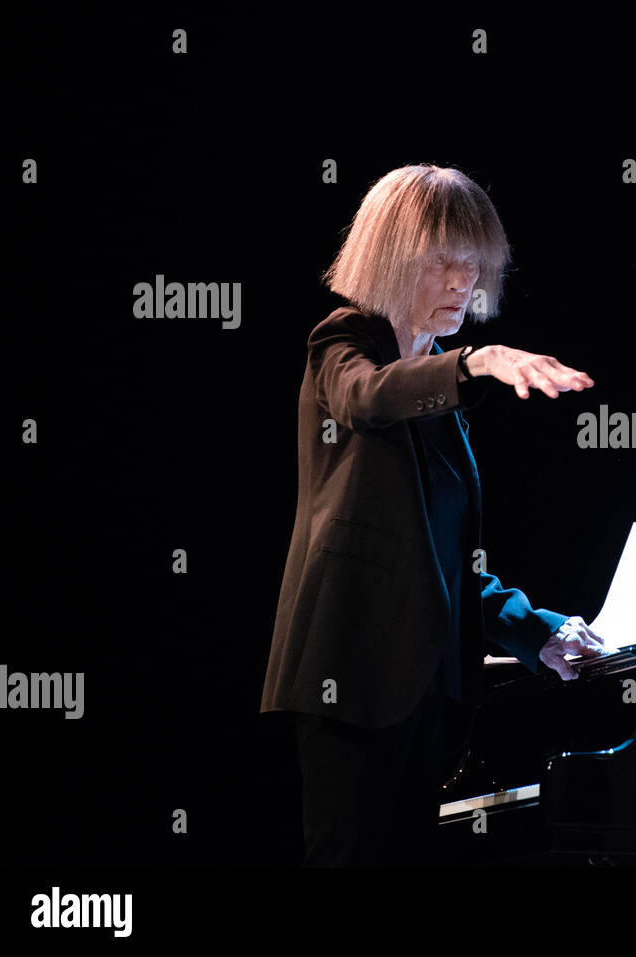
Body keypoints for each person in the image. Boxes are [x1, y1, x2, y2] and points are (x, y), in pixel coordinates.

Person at [259, 164, 606, 866]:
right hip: (351, 676)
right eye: (443, 261)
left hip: (425, 694)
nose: (462, 282)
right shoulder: (342, 342)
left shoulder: (442, 392)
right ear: (392, 256)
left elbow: (444, 563)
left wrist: (538, 632)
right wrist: (474, 365)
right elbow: (365, 397)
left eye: (472, 266)